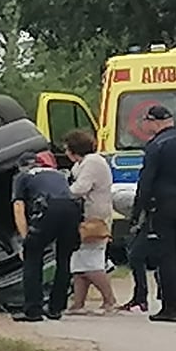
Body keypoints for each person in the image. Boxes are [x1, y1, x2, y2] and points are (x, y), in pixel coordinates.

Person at [129, 104, 176, 322]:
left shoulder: (156, 146)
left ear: (155, 122)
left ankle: (171, 307)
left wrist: (137, 210)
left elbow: (147, 180)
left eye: (147, 122)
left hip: (163, 205)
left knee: (166, 254)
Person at [11, 150, 82, 322]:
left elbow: (19, 207)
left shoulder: (22, 177)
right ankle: (56, 308)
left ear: (21, 166)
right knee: (64, 259)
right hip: (72, 209)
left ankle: (33, 310)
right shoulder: (57, 173)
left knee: (33, 258)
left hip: (49, 208)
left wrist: (25, 238)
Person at [62, 130, 119, 315]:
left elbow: (80, 188)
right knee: (79, 263)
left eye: (66, 149)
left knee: (92, 263)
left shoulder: (92, 162)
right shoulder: (82, 164)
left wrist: (61, 193)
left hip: (95, 218)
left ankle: (110, 300)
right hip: (85, 217)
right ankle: (78, 304)